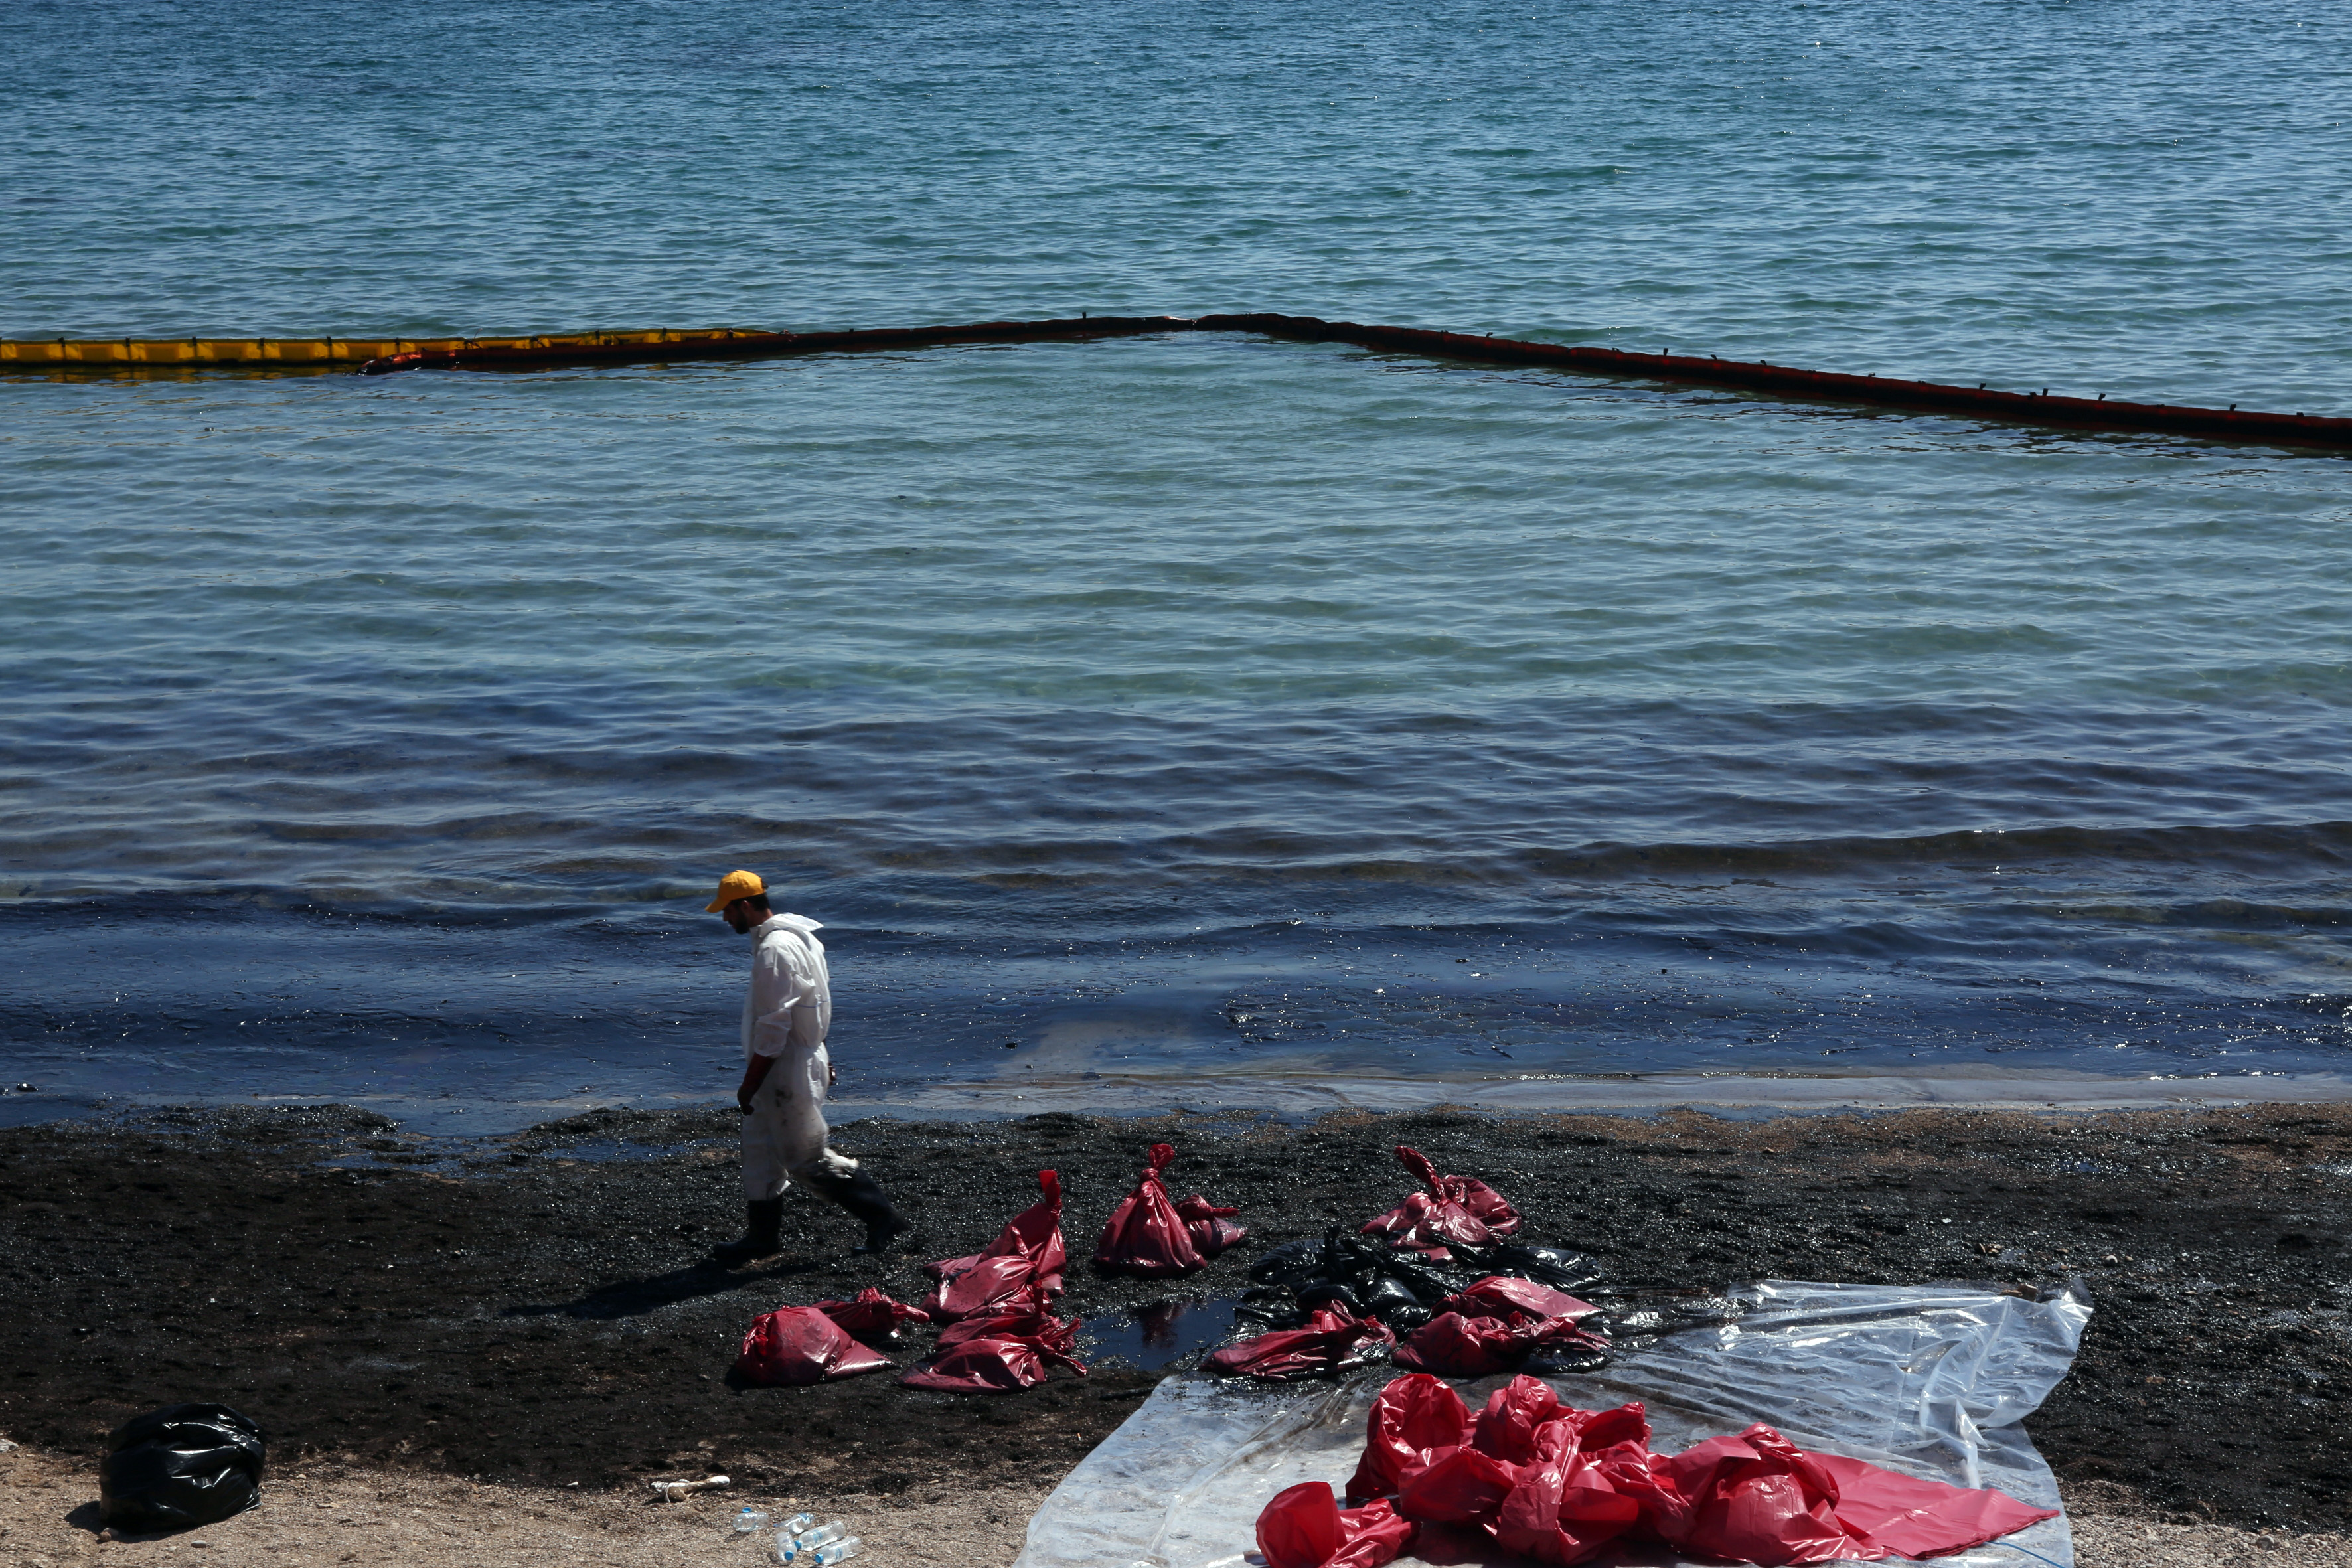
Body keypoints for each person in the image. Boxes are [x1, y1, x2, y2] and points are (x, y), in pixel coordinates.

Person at [703, 870, 912, 1265]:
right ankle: (762, 1238)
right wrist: (824, 1053)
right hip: (798, 1057)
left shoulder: (775, 951)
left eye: (727, 911)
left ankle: (883, 1218)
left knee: (805, 1157)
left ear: (745, 905)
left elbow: (774, 1026)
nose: (725, 920)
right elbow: (813, 1003)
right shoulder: (800, 939)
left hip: (784, 1068)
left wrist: (750, 1084)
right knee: (760, 1149)